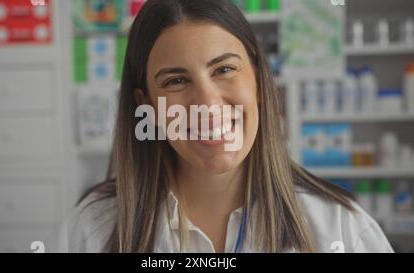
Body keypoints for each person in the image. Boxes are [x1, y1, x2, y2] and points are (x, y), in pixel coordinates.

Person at [59, 0, 393, 253]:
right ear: (147, 106)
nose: (207, 103)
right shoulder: (94, 228)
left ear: (260, 82)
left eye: (224, 70)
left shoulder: (342, 228)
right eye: (176, 80)